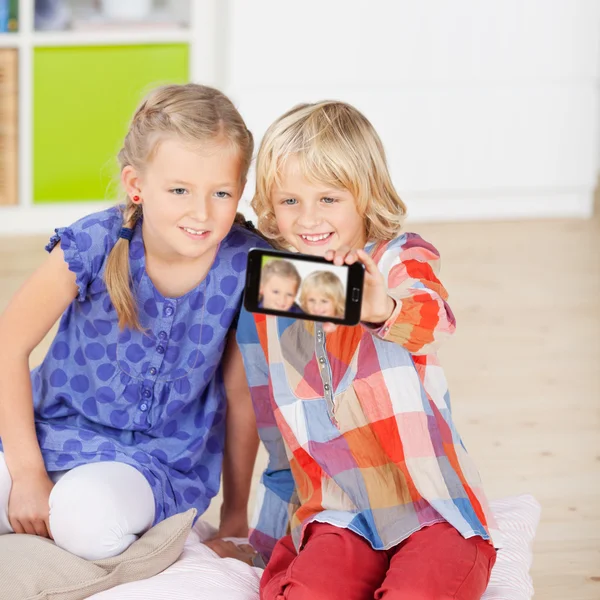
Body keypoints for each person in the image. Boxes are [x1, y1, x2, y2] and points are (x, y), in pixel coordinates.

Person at [237, 100, 500, 599]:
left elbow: (433, 318)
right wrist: (264, 538)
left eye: (329, 199)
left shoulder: (400, 257)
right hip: (340, 513)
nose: (308, 217)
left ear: (365, 196)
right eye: (289, 200)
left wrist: (384, 308)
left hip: (431, 505)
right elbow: (277, 434)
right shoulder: (277, 287)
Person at [0, 83, 269, 561]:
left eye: (221, 192)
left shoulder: (245, 266)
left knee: (85, 520)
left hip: (154, 465)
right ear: (136, 185)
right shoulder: (94, 242)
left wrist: (235, 515)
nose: (202, 213)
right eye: (180, 190)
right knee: (43, 501)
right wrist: (26, 474)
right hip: (51, 434)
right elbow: (8, 345)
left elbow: (240, 395)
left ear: (240, 190)